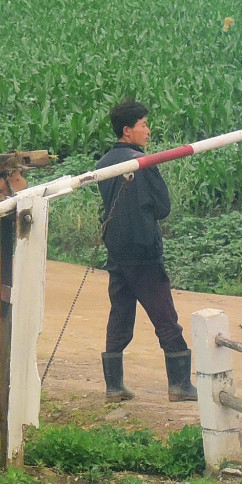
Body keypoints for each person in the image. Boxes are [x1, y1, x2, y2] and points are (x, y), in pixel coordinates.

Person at [97, 99, 192, 403]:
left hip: (117, 253)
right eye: (143, 125)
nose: (147, 131)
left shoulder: (102, 165)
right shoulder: (144, 164)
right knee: (164, 317)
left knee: (120, 315)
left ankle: (114, 387)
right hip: (145, 254)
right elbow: (163, 208)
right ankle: (179, 386)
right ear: (128, 131)